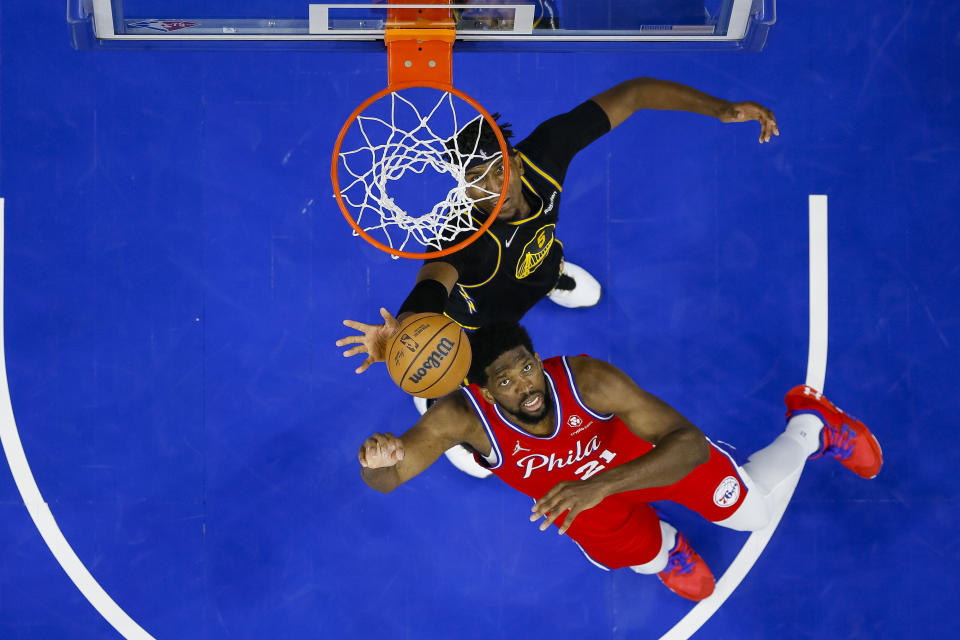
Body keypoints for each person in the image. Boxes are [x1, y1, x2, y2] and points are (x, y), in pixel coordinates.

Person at [339, 76, 778, 473]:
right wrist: (405, 334)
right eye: (475, 180)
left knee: (544, 261)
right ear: (461, 187)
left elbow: (636, 93)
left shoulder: (546, 153)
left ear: (518, 162)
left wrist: (721, 108)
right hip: (478, 325)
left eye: (499, 170)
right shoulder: (462, 238)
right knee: (474, 382)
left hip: (537, 267)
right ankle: (435, 394)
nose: (492, 189)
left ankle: (554, 279)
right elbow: (432, 285)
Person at [357, 323, 883, 601]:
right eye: (507, 381)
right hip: (584, 505)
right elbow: (388, 478)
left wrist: (601, 484)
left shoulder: (588, 380)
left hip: (655, 462)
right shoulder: (461, 419)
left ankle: (812, 427)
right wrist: (377, 460)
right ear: (487, 394)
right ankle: (667, 552)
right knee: (636, 554)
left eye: (527, 366)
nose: (526, 385)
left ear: (537, 359)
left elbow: (690, 444)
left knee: (754, 516)